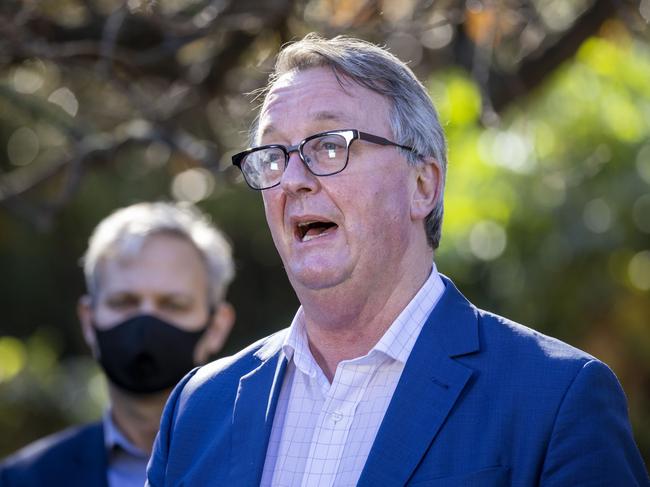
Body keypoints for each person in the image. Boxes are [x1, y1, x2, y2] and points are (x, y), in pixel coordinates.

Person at [146, 34, 649, 486]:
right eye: (273, 155)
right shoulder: (199, 408)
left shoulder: (557, 400)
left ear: (422, 184)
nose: (292, 180)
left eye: (327, 146)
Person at [0, 202, 235, 487]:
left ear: (216, 327)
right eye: (124, 302)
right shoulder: (22, 480)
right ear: (88, 321)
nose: (146, 323)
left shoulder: (268, 464)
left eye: (173, 305)